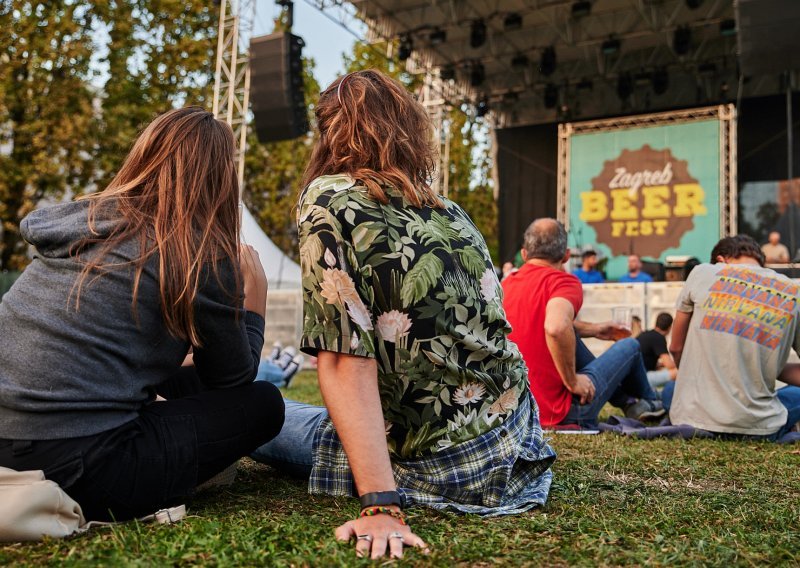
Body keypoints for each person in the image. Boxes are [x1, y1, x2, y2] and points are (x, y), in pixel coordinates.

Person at [250, 70, 555, 559]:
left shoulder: (329, 198)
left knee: (250, 408)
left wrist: (380, 503)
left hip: (435, 460)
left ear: (332, 131)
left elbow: (341, 354)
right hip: (512, 440)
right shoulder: (451, 210)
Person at [0, 107, 285, 521]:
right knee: (264, 403)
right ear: (220, 178)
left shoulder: (84, 225)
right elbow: (234, 380)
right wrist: (253, 303)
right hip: (82, 463)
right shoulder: (194, 251)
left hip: (6, 442)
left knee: (187, 382)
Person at [502, 218, 663, 429]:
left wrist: (595, 329)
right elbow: (556, 327)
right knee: (631, 346)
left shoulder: (505, 285)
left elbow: (545, 322)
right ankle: (651, 402)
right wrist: (572, 381)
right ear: (566, 255)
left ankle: (628, 402)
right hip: (564, 413)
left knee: (573, 337)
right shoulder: (562, 281)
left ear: (524, 254)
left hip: (516, 411)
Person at [665, 235, 800, 439]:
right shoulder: (793, 291)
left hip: (692, 419)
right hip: (759, 426)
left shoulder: (703, 272)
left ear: (720, 260)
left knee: (670, 389)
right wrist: (766, 366)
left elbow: (676, 348)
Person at [637, 313, 677, 388]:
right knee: (678, 372)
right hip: (644, 378)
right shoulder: (659, 338)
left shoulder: (644, 334)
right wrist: (681, 364)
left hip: (634, 378)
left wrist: (660, 364)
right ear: (670, 327)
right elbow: (669, 365)